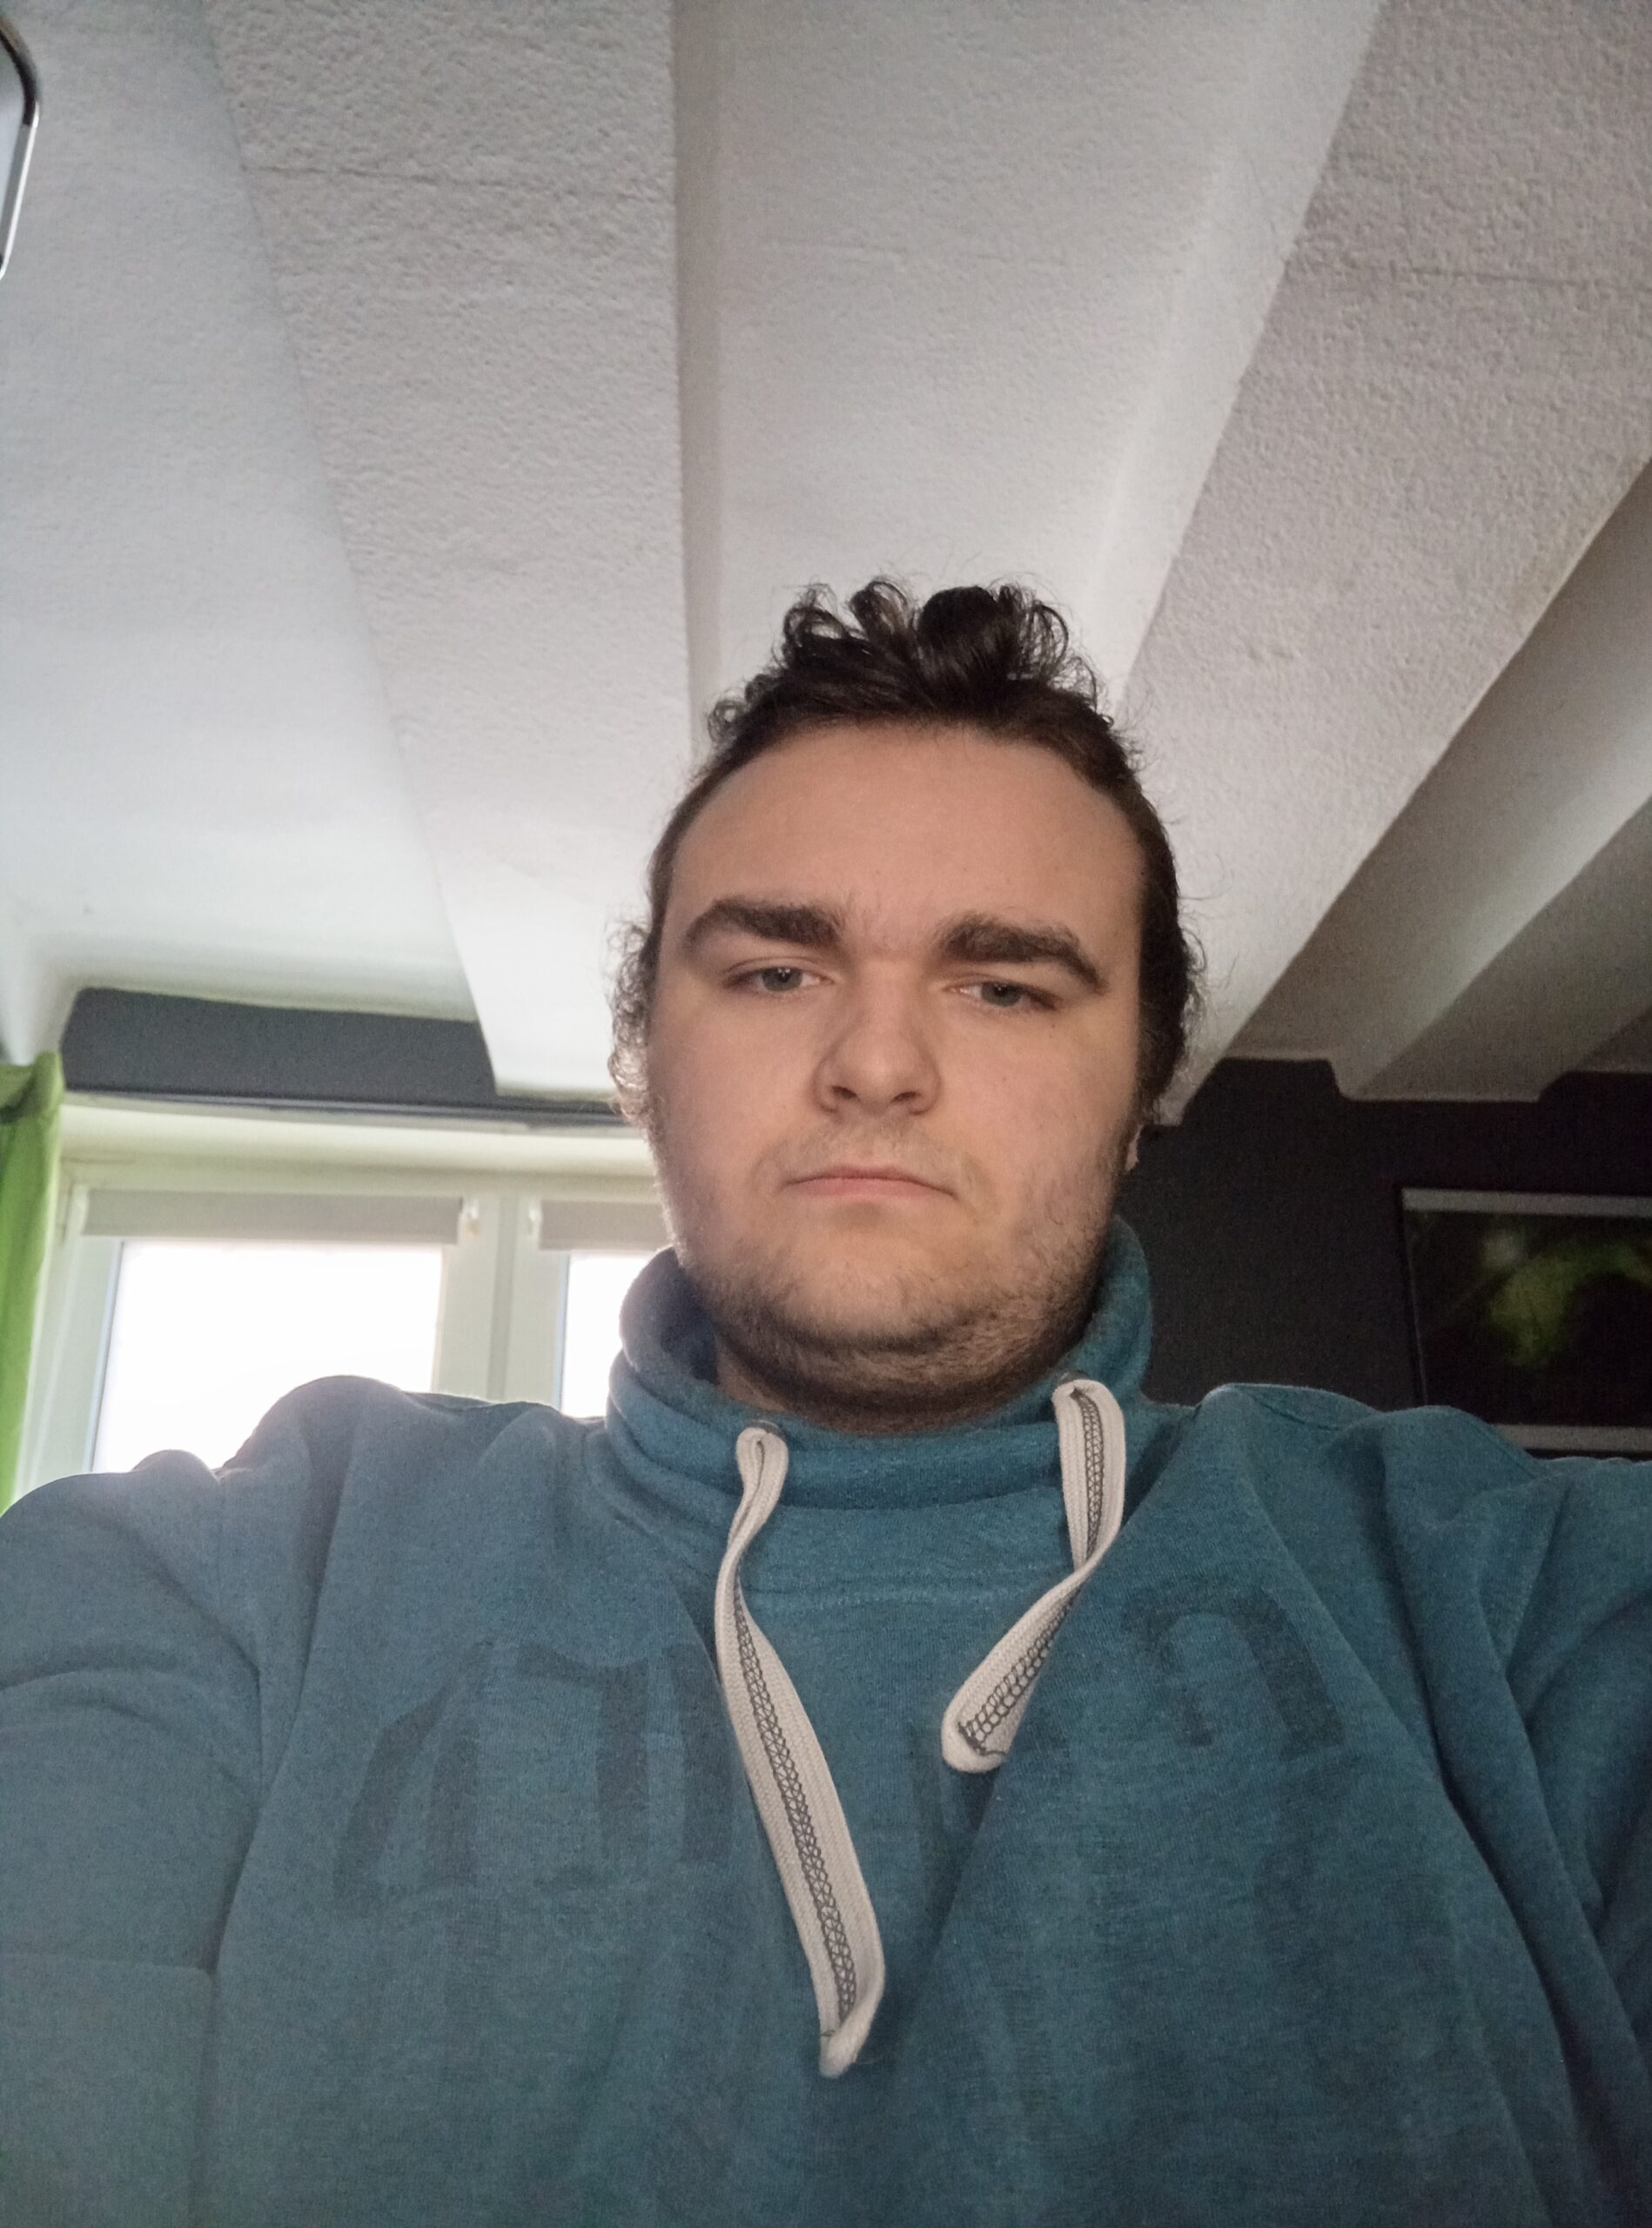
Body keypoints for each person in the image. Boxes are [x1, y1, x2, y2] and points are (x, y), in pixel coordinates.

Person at [2, 580, 1649, 2228]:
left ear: (1141, 1090)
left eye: (1004, 986)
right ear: (643, 1061)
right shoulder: (237, 1573)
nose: (875, 1062)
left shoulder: (1503, 1582)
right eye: (778, 970)